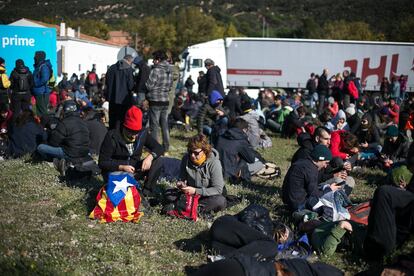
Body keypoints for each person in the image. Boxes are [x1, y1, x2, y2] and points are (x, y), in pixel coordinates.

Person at [98, 105, 165, 194]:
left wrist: (150, 157)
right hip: (116, 172)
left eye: (136, 132)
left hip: (134, 169)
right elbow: (102, 162)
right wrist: (121, 167)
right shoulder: (112, 136)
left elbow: (159, 148)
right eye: (131, 132)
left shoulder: (142, 134)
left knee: (158, 161)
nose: (134, 136)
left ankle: (147, 191)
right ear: (124, 127)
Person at [168, 134, 227, 213]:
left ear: (205, 151)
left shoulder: (214, 163)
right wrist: (181, 184)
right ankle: (190, 208)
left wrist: (196, 191)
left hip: (208, 195)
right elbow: (182, 178)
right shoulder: (186, 158)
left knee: (220, 201)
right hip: (191, 194)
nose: (192, 155)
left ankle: (185, 207)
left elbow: (218, 189)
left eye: (196, 153)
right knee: (168, 194)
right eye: (190, 151)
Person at [282, 144, 342, 211]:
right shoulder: (311, 169)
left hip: (288, 200)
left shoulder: (303, 162)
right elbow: (314, 194)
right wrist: (329, 189)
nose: (325, 166)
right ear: (319, 159)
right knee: (330, 207)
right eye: (326, 163)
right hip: (298, 205)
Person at [37, 100, 90, 174]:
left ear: (64, 110)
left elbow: (53, 143)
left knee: (41, 147)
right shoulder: (82, 122)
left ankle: (55, 161)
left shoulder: (64, 122)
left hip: (70, 153)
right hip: (84, 152)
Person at [215, 118, 268, 183]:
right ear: (244, 129)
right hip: (230, 174)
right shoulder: (241, 140)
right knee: (259, 164)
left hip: (216, 171)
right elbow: (251, 159)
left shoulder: (221, 135)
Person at [146, 50, 173, 153]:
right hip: (165, 100)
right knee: (164, 125)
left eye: (154, 59)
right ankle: (166, 147)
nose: (153, 62)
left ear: (158, 60)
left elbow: (149, 85)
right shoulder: (169, 70)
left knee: (154, 126)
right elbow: (170, 86)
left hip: (155, 100)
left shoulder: (155, 70)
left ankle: (155, 147)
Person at [105, 54, 135, 130]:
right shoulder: (129, 69)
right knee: (121, 120)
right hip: (123, 100)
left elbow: (107, 82)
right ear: (129, 61)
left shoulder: (112, 68)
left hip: (112, 98)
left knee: (112, 119)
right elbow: (130, 85)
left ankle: (111, 135)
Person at [32, 51, 52, 116]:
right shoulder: (39, 66)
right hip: (39, 91)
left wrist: (35, 84)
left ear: (39, 57)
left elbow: (45, 78)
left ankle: (46, 124)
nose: (34, 57)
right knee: (39, 111)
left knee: (42, 111)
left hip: (42, 92)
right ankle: (41, 125)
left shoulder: (43, 66)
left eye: (35, 56)